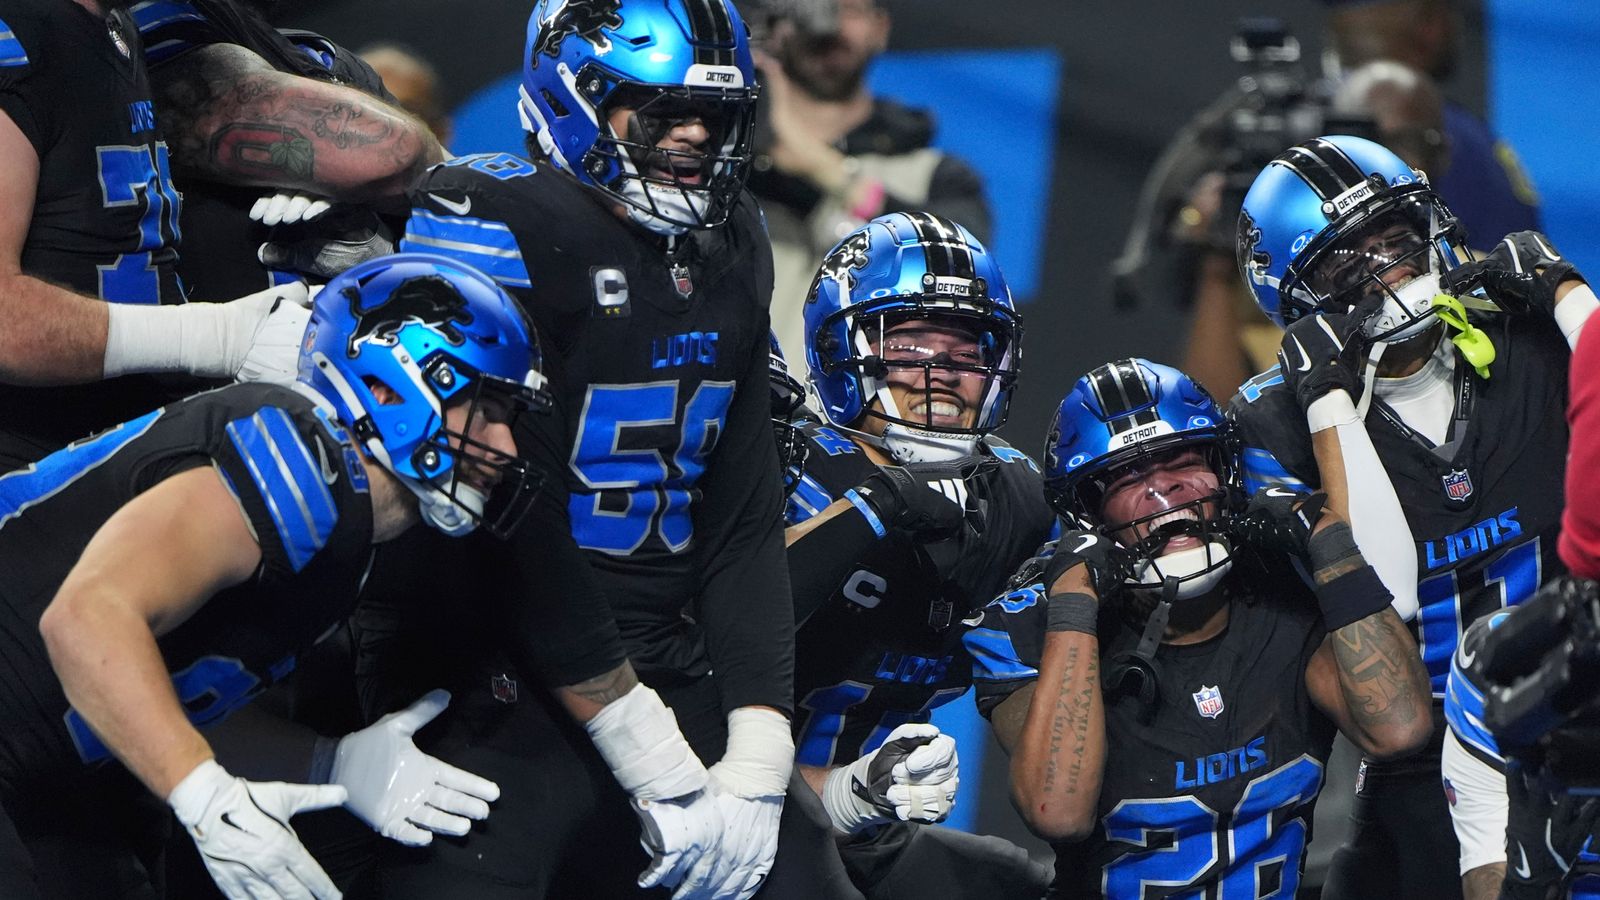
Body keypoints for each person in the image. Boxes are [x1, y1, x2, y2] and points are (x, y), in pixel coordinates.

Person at [363, 1, 815, 897]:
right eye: (661, 111)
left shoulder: (735, 237)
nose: (693, 136)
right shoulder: (490, 216)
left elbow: (743, 513)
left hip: (664, 656)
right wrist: (647, 752)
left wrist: (759, 757)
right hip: (496, 670)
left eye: (715, 114)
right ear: (574, 99)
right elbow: (509, 513)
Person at [0, 252, 550, 900]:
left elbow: (165, 701)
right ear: (386, 387)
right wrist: (201, 793)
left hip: (40, 774)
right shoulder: (300, 466)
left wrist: (326, 761)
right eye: (484, 409)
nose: (506, 446)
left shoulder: (347, 531)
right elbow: (84, 618)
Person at [1230, 133, 1598, 899]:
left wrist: (1570, 298)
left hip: (1579, 711)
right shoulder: (1270, 426)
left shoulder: (1527, 333)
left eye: (1396, 239)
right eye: (1347, 261)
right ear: (1299, 298)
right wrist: (1329, 397)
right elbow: (1385, 587)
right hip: (1421, 761)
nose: (1390, 271)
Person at [969, 357, 1433, 897]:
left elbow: (1399, 727)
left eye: (1184, 462)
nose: (1165, 493)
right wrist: (1074, 605)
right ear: (1087, 515)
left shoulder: (1285, 590)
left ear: (1225, 472)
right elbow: (1059, 811)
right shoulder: (1034, 622)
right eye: (1128, 476)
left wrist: (1330, 541)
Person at [781, 212, 1054, 898]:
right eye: (908, 348)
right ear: (844, 352)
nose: (942, 377)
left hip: (866, 832)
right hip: (712, 808)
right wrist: (877, 505)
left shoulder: (1017, 499)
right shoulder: (786, 465)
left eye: (965, 354)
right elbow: (681, 684)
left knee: (1014, 884)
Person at [0, 0, 317, 472]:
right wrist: (217, 337)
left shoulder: (111, 24)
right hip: (34, 465)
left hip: (124, 431)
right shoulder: (16, 34)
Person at [747, 0, 990, 376]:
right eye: (813, 8)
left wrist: (825, 170)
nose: (829, 27)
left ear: (881, 28)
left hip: (862, 428)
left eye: (848, 9)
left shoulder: (932, 174)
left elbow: (965, 265)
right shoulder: (722, 165)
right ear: (774, 28)